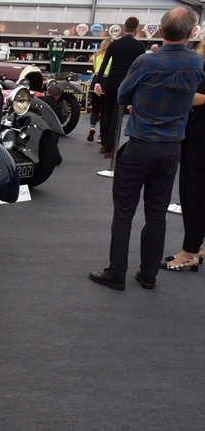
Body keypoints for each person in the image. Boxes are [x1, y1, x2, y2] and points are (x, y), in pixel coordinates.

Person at [89, 7, 204, 291]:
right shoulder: (196, 62)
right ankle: (149, 273)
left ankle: (117, 272)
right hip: (172, 148)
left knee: (124, 213)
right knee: (156, 214)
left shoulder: (147, 61)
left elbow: (123, 94)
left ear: (161, 31)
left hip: (141, 143)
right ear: (191, 33)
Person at [161, 39, 205, 272]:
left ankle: (190, 251)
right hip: (191, 136)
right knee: (188, 196)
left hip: (201, 141)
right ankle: (194, 247)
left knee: (196, 198)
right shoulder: (199, 63)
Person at [94, 17, 146, 158]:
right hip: (127, 83)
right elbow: (142, 67)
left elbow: (104, 63)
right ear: (136, 29)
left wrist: (98, 82)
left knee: (107, 112)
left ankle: (104, 142)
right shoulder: (140, 46)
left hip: (111, 82)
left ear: (124, 28)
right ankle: (110, 148)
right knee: (118, 114)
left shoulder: (114, 44)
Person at [88, 38, 112, 143]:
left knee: (95, 109)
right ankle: (102, 135)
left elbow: (94, 69)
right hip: (106, 83)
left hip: (95, 82)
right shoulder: (112, 56)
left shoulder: (95, 55)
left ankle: (92, 126)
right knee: (105, 111)